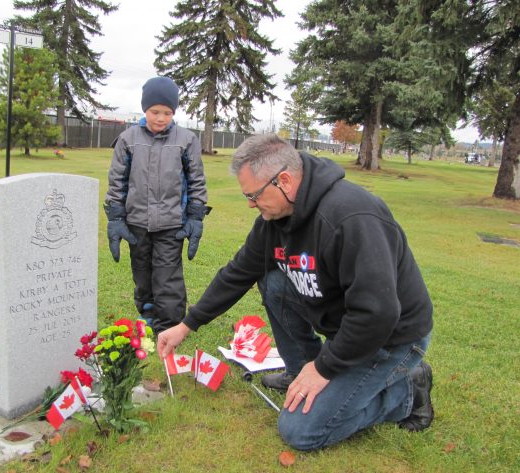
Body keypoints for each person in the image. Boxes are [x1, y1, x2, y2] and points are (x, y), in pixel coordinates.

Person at [158, 134, 434, 451]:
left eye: (254, 195)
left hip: (389, 337)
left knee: (301, 431)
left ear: (285, 181)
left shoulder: (352, 217)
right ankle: (299, 370)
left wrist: (324, 369)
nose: (250, 204)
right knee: (274, 282)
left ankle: (406, 392)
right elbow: (238, 273)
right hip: (348, 326)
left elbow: (378, 313)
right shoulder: (274, 219)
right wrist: (187, 324)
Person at [104, 76, 209, 334]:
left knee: (167, 276)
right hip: (136, 222)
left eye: (167, 112)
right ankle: (148, 313)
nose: (160, 118)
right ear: (145, 109)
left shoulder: (186, 140)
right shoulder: (128, 139)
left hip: (171, 223)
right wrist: (116, 217)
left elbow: (196, 179)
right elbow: (117, 180)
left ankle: (170, 324)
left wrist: (195, 215)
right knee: (141, 271)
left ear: (173, 112)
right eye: (155, 112)